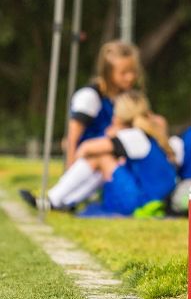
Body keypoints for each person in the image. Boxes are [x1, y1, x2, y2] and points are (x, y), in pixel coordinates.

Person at [21, 89, 177, 215]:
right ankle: (65, 202)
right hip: (152, 197)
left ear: (120, 115)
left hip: (142, 200)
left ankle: (54, 199)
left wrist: (76, 154)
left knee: (102, 158)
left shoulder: (133, 135)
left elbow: (86, 148)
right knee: (106, 162)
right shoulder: (141, 134)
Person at [63, 40, 142, 168]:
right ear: (108, 73)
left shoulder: (126, 98)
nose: (130, 77)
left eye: (133, 71)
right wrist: (70, 172)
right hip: (89, 163)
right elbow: (72, 140)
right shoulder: (89, 96)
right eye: (124, 73)